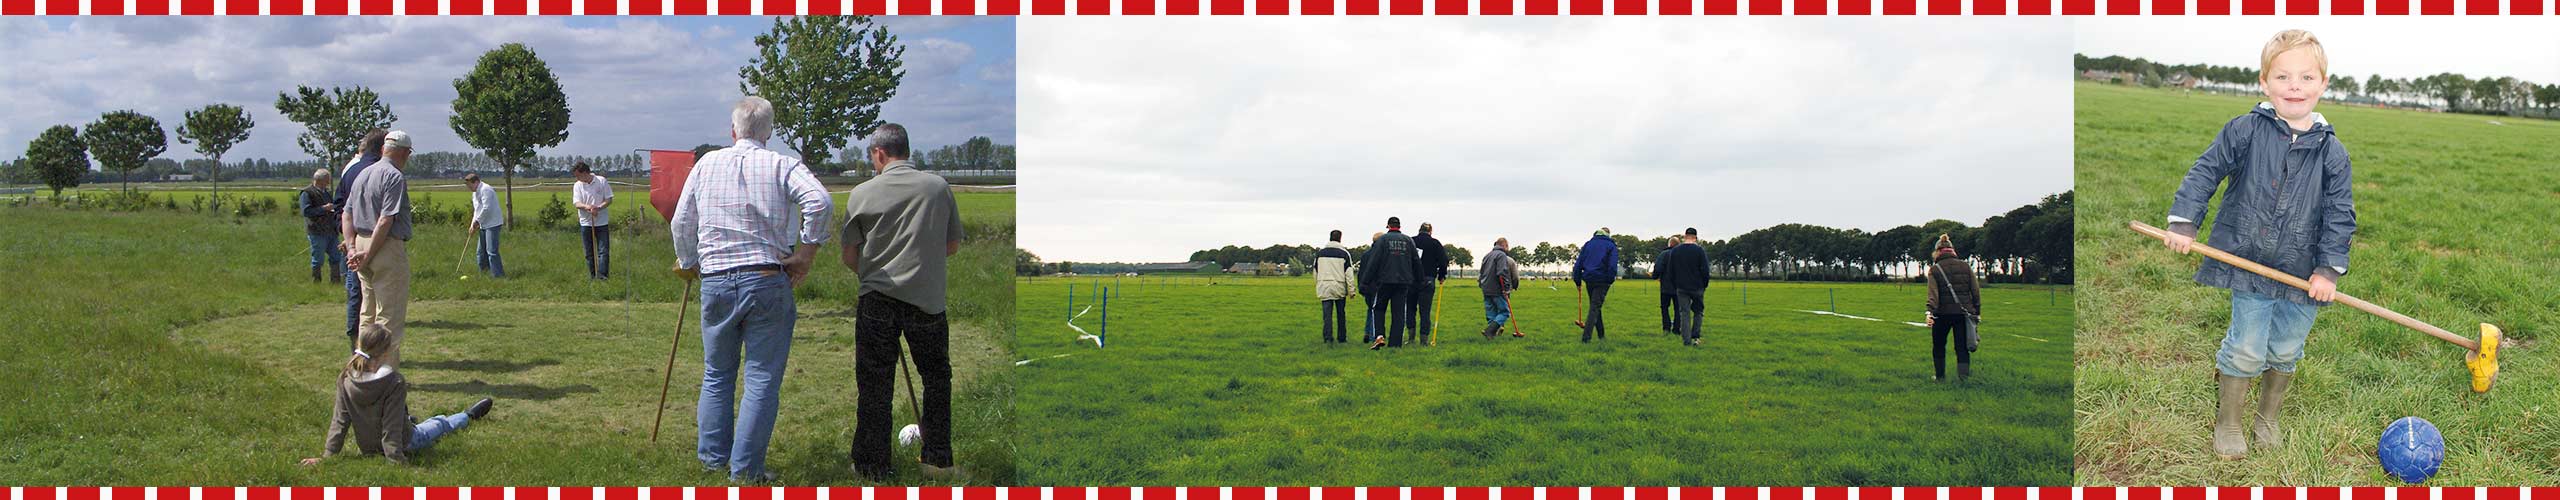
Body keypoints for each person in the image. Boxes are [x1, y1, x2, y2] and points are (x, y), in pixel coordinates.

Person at [2162, 29, 2356, 460]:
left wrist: (2328, 270)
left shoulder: (2332, 152)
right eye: (2283, 77)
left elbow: (2340, 214)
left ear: (2324, 84)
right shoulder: (2245, 129)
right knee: (2248, 347)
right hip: (2247, 259)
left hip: (2302, 272)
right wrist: (2184, 222)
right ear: (2264, 82)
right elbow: (2205, 172)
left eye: (2307, 78)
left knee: (2286, 347)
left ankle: (2268, 418)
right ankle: (2229, 422)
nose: (2295, 87)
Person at [671, 96, 835, 483]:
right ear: (770, 132)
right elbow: (820, 200)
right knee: (761, 377)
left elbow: (681, 221)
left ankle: (713, 460)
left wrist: (689, 260)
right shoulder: (782, 164)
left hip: (716, 280)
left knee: (717, 373)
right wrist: (807, 253)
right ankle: (746, 471)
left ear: (733, 131)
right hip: (765, 277)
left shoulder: (707, 163)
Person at [838, 122, 969, 481]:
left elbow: (850, 255)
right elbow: (952, 246)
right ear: (906, 150)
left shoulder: (861, 193)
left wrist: (872, 272)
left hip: (877, 298)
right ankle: (937, 459)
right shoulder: (937, 188)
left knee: (875, 384)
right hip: (926, 300)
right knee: (937, 379)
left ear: (879, 153)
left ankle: (871, 464)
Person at [297, 324, 495, 467]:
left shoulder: (345, 378)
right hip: (405, 441)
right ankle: (468, 416)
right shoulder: (394, 382)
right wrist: (396, 459)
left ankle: (409, 419)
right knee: (439, 423)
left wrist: (328, 455)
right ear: (386, 352)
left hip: (367, 447)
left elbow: (340, 421)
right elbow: (391, 428)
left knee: (406, 418)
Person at [344, 131, 414, 370]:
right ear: (405, 152)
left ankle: (362, 367)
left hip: (361, 243)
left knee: (367, 312)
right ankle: (385, 373)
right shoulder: (394, 176)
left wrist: (353, 248)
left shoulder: (363, 173)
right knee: (388, 315)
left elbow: (347, 214)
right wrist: (371, 252)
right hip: (384, 246)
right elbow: (386, 220)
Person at [332, 129, 388, 349]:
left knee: (359, 292)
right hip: (374, 240)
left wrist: (347, 238)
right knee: (372, 296)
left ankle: (356, 339)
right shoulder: (382, 171)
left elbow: (339, 209)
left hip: (353, 239)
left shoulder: (350, 171)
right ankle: (367, 345)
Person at [1923, 234, 1981, 381]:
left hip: (1941, 314)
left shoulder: (1934, 270)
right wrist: (1976, 312)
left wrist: (1929, 312)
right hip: (1963, 314)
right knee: (1961, 348)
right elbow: (1975, 291)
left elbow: (1933, 295)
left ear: (1937, 251)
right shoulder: (1965, 266)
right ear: (1952, 250)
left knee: (1939, 346)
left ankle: (1940, 377)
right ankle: (1964, 378)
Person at [1359, 218, 1419, 350]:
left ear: (1388, 226)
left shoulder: (1382, 240)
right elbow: (1416, 261)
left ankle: (1380, 336)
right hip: (1403, 282)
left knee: (1379, 309)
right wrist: (1420, 280)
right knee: (1398, 313)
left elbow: (1373, 263)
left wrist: (1365, 282)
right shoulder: (1408, 240)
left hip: (1384, 281)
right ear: (1399, 226)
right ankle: (1395, 344)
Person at [1662, 229, 1712, 347]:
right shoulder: (1700, 251)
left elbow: (1670, 271)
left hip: (1681, 287)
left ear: (1685, 236)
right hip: (1697, 287)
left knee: (1684, 313)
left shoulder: (1676, 251)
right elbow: (1705, 270)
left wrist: (1676, 285)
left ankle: (1686, 340)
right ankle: (1696, 337)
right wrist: (1704, 284)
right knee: (1698, 312)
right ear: (1695, 237)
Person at [1571, 228, 1620, 343]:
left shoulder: (1588, 244)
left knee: (1596, 306)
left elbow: (1578, 264)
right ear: (1608, 234)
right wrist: (1610, 280)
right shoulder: (1611, 245)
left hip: (1589, 279)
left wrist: (1577, 281)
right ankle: (1586, 338)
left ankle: (1601, 335)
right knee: (1594, 308)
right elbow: (1612, 265)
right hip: (1602, 280)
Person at [297, 168, 342, 284]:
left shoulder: (326, 192)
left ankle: (335, 281)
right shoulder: (307, 193)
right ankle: (316, 281)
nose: (328, 182)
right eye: (327, 180)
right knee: (318, 259)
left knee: (336, 256)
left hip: (331, 230)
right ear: (320, 180)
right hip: (316, 231)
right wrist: (323, 209)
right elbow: (306, 211)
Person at [572, 162, 615, 280]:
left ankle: (603, 277)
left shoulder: (601, 181)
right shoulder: (577, 185)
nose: (577, 178)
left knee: (603, 251)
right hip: (586, 223)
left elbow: (609, 199)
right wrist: (588, 207)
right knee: (589, 253)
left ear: (585, 173)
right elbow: (577, 203)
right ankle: (592, 276)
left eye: (578, 176)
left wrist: (598, 207)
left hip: (602, 223)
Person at [1410, 222, 1448, 346]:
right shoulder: (1435, 243)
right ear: (1430, 231)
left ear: (1419, 230)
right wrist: (1441, 275)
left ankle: (1411, 339)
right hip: (1428, 280)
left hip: (1411, 280)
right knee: (1425, 311)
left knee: (1410, 309)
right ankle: (1424, 341)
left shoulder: (1411, 241)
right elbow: (1443, 261)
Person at [1314, 230, 1354, 344]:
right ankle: (1342, 338)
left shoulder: (1320, 253)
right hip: (1339, 286)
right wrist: (1351, 290)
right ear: (1340, 238)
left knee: (1327, 315)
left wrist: (1318, 284)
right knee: (1341, 314)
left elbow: (1315, 271)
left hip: (1324, 285)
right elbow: (1349, 273)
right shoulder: (1345, 254)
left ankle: (1328, 338)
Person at [1477, 238, 1520, 339]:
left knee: (1491, 312)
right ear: (1504, 245)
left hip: (1486, 288)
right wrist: (1506, 288)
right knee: (1505, 312)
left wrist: (1481, 284)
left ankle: (1491, 334)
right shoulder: (1501, 255)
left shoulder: (1487, 255)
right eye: (1507, 246)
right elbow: (1502, 272)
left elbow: (1481, 273)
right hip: (1497, 289)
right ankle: (1490, 331)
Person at [465, 173, 505, 278]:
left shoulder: (486, 190)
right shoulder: (475, 193)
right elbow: (477, 210)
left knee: (491, 251)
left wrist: (477, 222)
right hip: (483, 224)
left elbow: (487, 208)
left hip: (493, 223)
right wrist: (472, 224)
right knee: (480, 252)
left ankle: (498, 275)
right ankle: (485, 273)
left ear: (476, 182)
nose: (469, 188)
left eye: (470, 185)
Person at [1655, 236, 1676, 335]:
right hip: (1679, 287)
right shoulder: (1681, 255)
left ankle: (1666, 328)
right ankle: (1677, 328)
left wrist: (1655, 276)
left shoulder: (1663, 254)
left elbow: (1658, 267)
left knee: (1664, 308)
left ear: (1669, 244)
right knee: (1678, 309)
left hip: (1665, 287)